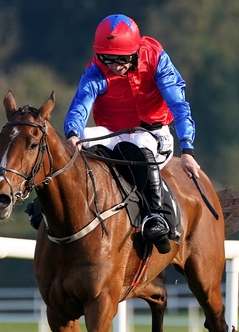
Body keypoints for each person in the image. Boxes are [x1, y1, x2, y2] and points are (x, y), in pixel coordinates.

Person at [64, 14, 200, 254]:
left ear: (135, 51)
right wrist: (73, 134)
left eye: (121, 59)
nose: (115, 66)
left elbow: (179, 106)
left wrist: (187, 149)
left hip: (153, 133)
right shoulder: (96, 69)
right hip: (112, 133)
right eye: (108, 59)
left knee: (137, 143)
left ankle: (157, 216)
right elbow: (80, 105)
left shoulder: (156, 59)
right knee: (78, 140)